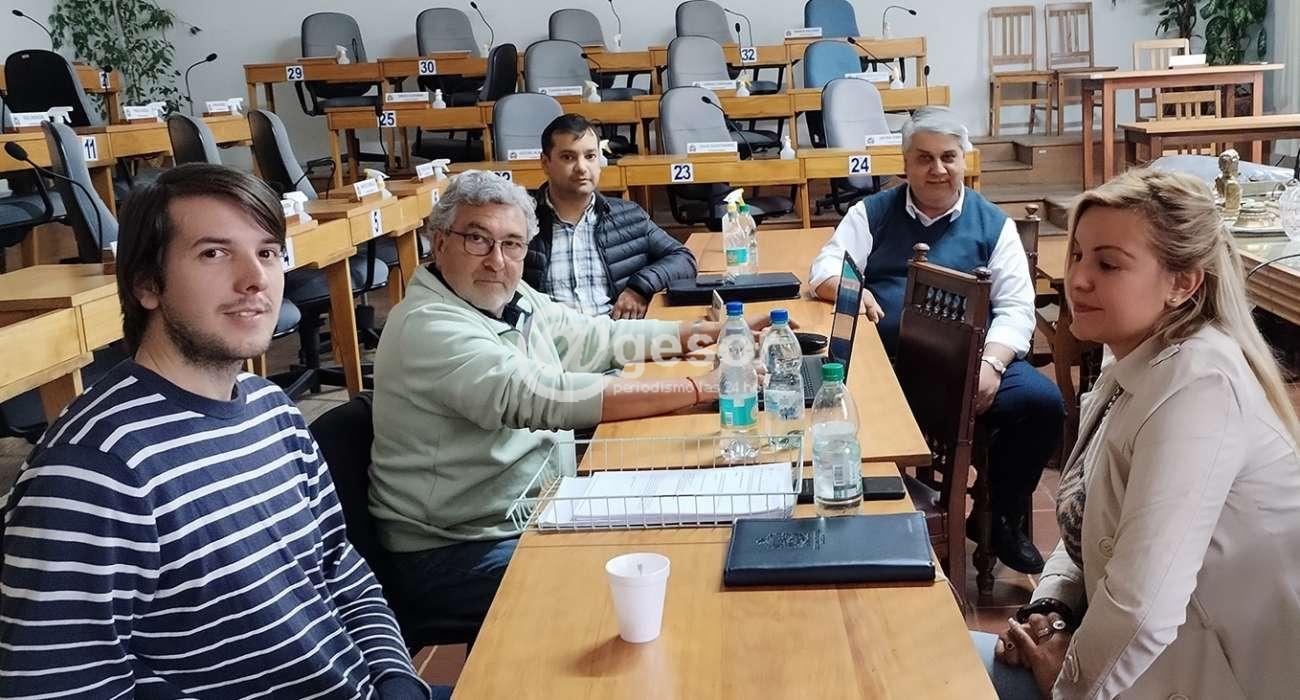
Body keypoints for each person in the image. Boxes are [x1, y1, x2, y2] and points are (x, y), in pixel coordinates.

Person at [0, 164, 435, 699]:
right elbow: (58, 689)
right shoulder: (94, 471)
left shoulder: (272, 408)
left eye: (268, 253)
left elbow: (338, 567)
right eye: (214, 253)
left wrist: (396, 677)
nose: (255, 279)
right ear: (146, 284)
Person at [370, 170, 776, 629]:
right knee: (648, 579)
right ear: (440, 242)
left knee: (681, 539)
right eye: (477, 240)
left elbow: (597, 337)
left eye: (512, 245)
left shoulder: (507, 296)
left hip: (537, 507)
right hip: (458, 549)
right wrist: (701, 387)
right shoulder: (429, 325)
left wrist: (703, 333)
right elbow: (546, 396)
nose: (497, 261)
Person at [976, 168, 1300, 698]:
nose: (1078, 278)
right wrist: (1051, 609)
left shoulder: (1199, 385)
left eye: (1108, 264)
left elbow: (1142, 606)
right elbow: (1091, 517)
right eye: (1077, 255)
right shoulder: (1133, 359)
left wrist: (1067, 683)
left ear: (1182, 283)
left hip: (1207, 679)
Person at [809, 106, 1063, 573]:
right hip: (893, 365)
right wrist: (853, 288)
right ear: (905, 163)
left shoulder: (993, 224)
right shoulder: (872, 213)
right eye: (924, 158)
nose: (938, 169)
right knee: (838, 402)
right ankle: (866, 525)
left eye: (948, 157)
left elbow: (1016, 309)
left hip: (973, 363)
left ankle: (1001, 517)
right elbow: (825, 267)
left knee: (1042, 404)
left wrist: (992, 365)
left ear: (964, 159)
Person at [526, 113, 697, 319]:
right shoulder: (520, 221)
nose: (582, 168)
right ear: (545, 163)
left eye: (590, 156)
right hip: (548, 336)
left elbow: (683, 259)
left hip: (618, 332)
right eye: (568, 157)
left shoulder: (629, 216)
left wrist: (640, 288)